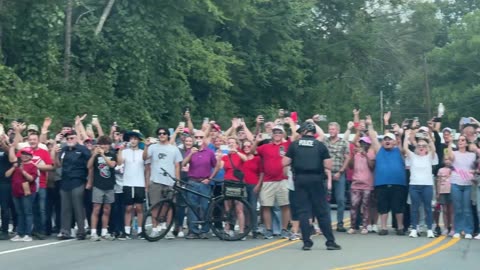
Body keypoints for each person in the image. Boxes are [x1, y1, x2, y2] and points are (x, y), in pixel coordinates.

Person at [283, 122, 341, 251]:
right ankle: (330, 241)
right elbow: (329, 166)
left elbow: (285, 162)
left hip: (300, 180)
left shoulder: (295, 145)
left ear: (303, 132)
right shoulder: (320, 145)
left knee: (303, 212)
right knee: (322, 212)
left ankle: (307, 243)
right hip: (316, 179)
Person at [367, 116, 407, 236]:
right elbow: (373, 138)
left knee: (398, 207)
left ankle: (400, 227)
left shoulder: (399, 151)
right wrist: (370, 124)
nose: (387, 141)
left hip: (398, 184)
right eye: (385, 139)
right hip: (381, 184)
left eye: (389, 139)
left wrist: (400, 132)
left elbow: (402, 143)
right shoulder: (379, 150)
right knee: (382, 207)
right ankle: (383, 228)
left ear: (394, 141)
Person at [254, 123, 294, 239]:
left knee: (285, 205)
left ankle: (285, 229)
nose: (277, 134)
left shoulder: (287, 144)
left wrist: (291, 123)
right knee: (266, 205)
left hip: (283, 180)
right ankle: (268, 229)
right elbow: (253, 151)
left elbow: (295, 136)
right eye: (275, 132)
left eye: (279, 132)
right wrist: (256, 141)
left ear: (283, 134)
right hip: (268, 180)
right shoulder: (265, 146)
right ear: (272, 134)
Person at [143, 127, 183, 239]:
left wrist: (177, 181)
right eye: (159, 133)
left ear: (168, 135)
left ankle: (168, 229)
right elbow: (145, 158)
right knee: (155, 205)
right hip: (155, 180)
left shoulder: (174, 149)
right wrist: (146, 146)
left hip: (169, 181)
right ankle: (155, 229)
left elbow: (177, 165)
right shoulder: (152, 147)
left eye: (164, 133)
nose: (162, 135)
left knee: (169, 205)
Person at [182, 130, 219, 239]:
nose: (198, 139)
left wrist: (210, 178)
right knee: (192, 206)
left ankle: (204, 230)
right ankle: (193, 230)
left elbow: (216, 166)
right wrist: (191, 154)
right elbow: (183, 164)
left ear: (204, 139)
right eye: (196, 137)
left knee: (205, 206)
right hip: (192, 181)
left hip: (204, 182)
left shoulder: (209, 152)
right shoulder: (190, 151)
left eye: (201, 137)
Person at [57, 130, 91, 240]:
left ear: (76, 138)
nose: (69, 140)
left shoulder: (83, 149)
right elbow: (58, 164)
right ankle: (65, 231)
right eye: (67, 139)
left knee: (78, 207)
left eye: (72, 138)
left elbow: (90, 165)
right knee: (65, 208)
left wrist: (89, 181)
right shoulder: (63, 150)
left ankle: (81, 231)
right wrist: (54, 152)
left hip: (78, 180)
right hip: (65, 181)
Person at [404, 130, 438, 238]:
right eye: (419, 145)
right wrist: (406, 136)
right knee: (415, 208)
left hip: (427, 185)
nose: (421, 147)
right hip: (414, 185)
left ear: (427, 147)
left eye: (423, 145)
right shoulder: (413, 156)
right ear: (416, 147)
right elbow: (405, 148)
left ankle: (429, 229)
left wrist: (429, 138)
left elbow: (434, 149)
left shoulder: (429, 157)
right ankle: (414, 228)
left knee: (428, 208)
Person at [117, 131, 148, 240]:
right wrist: (120, 150)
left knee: (139, 208)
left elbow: (145, 158)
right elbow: (120, 162)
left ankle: (140, 230)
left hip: (139, 183)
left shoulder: (141, 152)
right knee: (129, 208)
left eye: (135, 139)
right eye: (131, 139)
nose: (133, 141)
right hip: (128, 183)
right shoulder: (125, 152)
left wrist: (146, 146)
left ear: (138, 140)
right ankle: (126, 231)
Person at [86, 136, 117, 241]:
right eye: (101, 144)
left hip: (109, 185)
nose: (103, 146)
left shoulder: (112, 154)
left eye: (105, 144)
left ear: (109, 145)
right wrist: (94, 154)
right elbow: (89, 166)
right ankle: (93, 232)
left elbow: (112, 165)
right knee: (96, 209)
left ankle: (104, 231)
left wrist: (103, 155)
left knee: (107, 209)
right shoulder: (95, 155)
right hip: (98, 185)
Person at [445, 134, 476, 239]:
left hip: (468, 184)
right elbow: (449, 157)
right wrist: (449, 142)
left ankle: (468, 230)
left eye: (463, 140)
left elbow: (476, 165)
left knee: (467, 208)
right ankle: (457, 229)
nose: (460, 141)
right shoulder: (454, 153)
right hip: (455, 183)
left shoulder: (472, 155)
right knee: (457, 208)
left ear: (466, 142)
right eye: (459, 140)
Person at [6, 147, 39, 242]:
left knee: (27, 213)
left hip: (27, 192)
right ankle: (20, 233)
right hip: (16, 192)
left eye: (27, 154)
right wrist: (14, 167)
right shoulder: (16, 165)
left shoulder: (33, 166)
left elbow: (31, 179)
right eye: (23, 153)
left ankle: (28, 234)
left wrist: (23, 170)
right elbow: (7, 175)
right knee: (19, 213)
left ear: (30, 156)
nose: (24, 156)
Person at [323, 122, 351, 232]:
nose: (331, 131)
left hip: (339, 173)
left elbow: (347, 158)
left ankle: (340, 223)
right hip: (326, 173)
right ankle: (327, 223)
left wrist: (341, 171)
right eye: (330, 129)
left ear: (338, 131)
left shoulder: (343, 142)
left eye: (333, 129)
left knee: (340, 199)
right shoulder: (325, 142)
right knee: (326, 200)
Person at [220, 137, 247, 239]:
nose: (231, 145)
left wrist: (236, 151)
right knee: (228, 208)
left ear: (236, 144)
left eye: (233, 143)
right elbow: (220, 167)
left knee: (239, 208)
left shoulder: (239, 154)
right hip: (227, 181)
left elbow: (246, 159)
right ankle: (227, 229)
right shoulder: (225, 157)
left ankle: (241, 231)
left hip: (237, 183)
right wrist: (219, 157)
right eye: (229, 143)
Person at [348, 136, 375, 235]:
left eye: (365, 143)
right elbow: (350, 166)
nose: (363, 145)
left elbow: (372, 167)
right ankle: (352, 226)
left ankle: (365, 226)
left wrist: (366, 155)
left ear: (368, 145)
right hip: (355, 184)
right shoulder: (356, 154)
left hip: (367, 184)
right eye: (361, 143)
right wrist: (353, 154)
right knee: (354, 206)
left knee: (366, 206)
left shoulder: (371, 153)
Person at [0, 134, 14, 240]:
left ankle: (5, 231)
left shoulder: (7, 150)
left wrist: (4, 142)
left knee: (5, 208)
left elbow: (8, 151)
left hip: (5, 183)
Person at [437, 157, 454, 236]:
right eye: (446, 160)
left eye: (449, 160)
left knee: (452, 211)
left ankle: (453, 228)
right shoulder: (440, 170)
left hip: (452, 191)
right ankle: (446, 227)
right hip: (443, 191)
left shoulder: (454, 169)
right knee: (444, 210)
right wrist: (438, 192)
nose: (447, 161)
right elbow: (439, 181)